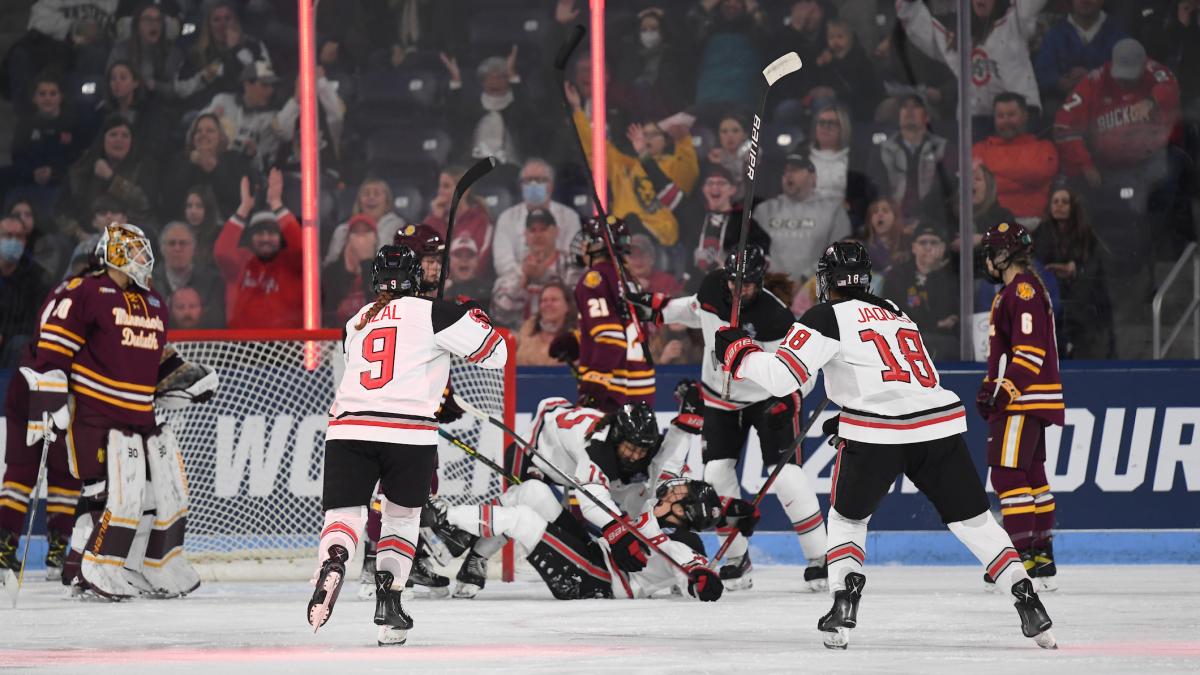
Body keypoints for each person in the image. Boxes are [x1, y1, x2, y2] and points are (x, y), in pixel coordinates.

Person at [715, 241, 1056, 650]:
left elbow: (781, 379)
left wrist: (737, 350)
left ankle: (844, 602)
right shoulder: (896, 311)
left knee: (847, 522)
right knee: (977, 523)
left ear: (827, 281)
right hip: (938, 426)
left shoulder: (825, 315)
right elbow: (902, 375)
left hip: (876, 434)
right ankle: (1027, 599)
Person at [307, 244, 508, 646]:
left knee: (344, 515)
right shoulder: (437, 312)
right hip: (408, 433)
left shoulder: (356, 320)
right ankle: (390, 604)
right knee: (399, 521)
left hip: (349, 427)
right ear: (418, 278)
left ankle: (334, 560)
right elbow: (496, 354)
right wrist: (474, 315)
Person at [19, 222, 214, 599]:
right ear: (116, 254)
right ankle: (84, 567)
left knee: (157, 492)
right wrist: (48, 393)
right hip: (96, 411)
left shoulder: (152, 300)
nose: (145, 259)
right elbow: (53, 351)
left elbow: (156, 358)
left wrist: (184, 377)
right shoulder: (86, 291)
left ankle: (144, 564)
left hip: (139, 414)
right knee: (106, 494)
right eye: (137, 251)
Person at [628, 245, 828, 591]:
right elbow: (694, 311)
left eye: (747, 285)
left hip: (766, 400)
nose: (738, 290)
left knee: (786, 477)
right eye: (734, 282)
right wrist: (656, 308)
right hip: (719, 399)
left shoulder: (775, 317)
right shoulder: (712, 288)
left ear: (758, 282)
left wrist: (791, 400)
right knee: (716, 475)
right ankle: (737, 558)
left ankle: (820, 558)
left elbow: (804, 369)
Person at [442, 391, 715, 600]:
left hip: (599, 578)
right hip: (542, 450)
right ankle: (466, 542)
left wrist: (701, 579)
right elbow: (593, 498)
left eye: (681, 495)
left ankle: (449, 520)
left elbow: (692, 566)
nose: (673, 490)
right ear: (618, 436)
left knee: (524, 514)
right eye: (631, 448)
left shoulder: (680, 539)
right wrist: (617, 531)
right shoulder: (597, 449)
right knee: (530, 491)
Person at [978, 222, 1065, 593]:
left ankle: (1021, 554)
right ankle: (1041, 554)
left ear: (1002, 254)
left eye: (990, 251)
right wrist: (991, 385)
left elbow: (1029, 351)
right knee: (1032, 477)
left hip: (1022, 399)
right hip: (1028, 397)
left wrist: (1004, 390)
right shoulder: (1023, 290)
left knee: (1008, 476)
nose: (986, 259)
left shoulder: (1022, 291)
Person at [567, 81, 698, 254]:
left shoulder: (673, 165)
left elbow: (689, 171)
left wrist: (683, 139)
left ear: (665, 140)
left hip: (659, 238)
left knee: (631, 222)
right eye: (643, 135)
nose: (646, 139)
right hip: (621, 234)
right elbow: (595, 149)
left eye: (653, 134)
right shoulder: (626, 165)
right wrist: (577, 110)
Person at [897, 0, 1049, 131]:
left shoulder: (1015, 20)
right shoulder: (959, 37)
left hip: (1020, 116)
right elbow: (922, 29)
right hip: (975, 122)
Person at [569, 216, 655, 412]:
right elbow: (623, 328)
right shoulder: (630, 280)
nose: (582, 246)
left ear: (597, 244)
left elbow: (611, 339)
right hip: (642, 391)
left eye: (586, 240)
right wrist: (578, 340)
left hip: (613, 393)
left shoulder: (594, 279)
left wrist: (593, 389)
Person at [214, 170, 303, 329]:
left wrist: (276, 204)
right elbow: (222, 252)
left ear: (280, 236)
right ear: (250, 237)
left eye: (271, 233)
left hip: (286, 347)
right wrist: (244, 208)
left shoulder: (290, 263)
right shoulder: (242, 261)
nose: (265, 239)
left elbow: (302, 248)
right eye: (259, 233)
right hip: (243, 347)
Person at [1033, 187, 1114, 358]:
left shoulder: (1087, 234)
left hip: (1083, 301)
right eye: (1055, 202)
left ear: (1073, 207)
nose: (1059, 206)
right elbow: (1036, 261)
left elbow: (1097, 265)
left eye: (1065, 202)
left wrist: (1075, 268)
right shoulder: (1041, 232)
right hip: (1051, 299)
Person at [753, 154, 851, 284]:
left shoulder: (833, 210)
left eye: (795, 170)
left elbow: (843, 252)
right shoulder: (764, 210)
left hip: (815, 289)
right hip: (771, 288)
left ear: (813, 177)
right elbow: (753, 251)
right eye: (785, 171)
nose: (788, 175)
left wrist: (807, 279)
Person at [866, 93, 955, 228]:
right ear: (898, 116)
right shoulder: (881, 150)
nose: (909, 111)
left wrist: (924, 219)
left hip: (935, 221)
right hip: (893, 223)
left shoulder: (944, 148)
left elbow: (946, 190)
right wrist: (894, 219)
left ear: (927, 116)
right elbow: (877, 191)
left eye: (916, 107)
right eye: (904, 107)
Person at [972, 93, 1059, 228]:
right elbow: (976, 186)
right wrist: (1023, 179)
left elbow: (1039, 175)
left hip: (1033, 224)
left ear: (1025, 116)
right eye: (1000, 116)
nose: (1006, 121)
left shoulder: (1044, 147)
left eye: (1011, 115)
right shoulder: (979, 150)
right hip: (989, 223)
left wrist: (993, 179)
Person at [679, 163, 769, 292]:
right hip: (695, 289)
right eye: (709, 183)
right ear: (703, 189)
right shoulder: (696, 218)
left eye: (721, 183)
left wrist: (740, 270)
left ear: (732, 189)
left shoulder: (743, 222)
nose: (715, 187)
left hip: (730, 291)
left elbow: (762, 252)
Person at [59, 114, 157, 232]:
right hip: (86, 234)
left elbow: (144, 203)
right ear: (102, 140)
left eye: (125, 136)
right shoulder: (83, 168)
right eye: (113, 134)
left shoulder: (144, 168)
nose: (119, 140)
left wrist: (111, 178)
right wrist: (80, 235)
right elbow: (61, 211)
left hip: (130, 234)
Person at [441, 47, 535, 165]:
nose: (494, 82)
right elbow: (453, 118)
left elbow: (526, 113)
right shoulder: (473, 107)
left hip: (509, 165)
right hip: (475, 166)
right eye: (489, 77)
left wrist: (514, 77)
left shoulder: (517, 106)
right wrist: (456, 80)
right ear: (482, 81)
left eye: (500, 77)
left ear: (508, 80)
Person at [492, 157, 581, 281]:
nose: (533, 184)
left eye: (539, 180)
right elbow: (502, 263)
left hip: (560, 283)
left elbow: (573, 259)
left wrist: (546, 272)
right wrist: (527, 272)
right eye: (528, 181)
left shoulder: (569, 217)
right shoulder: (506, 218)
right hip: (519, 282)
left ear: (551, 185)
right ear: (521, 186)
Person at [171, 1, 271, 109]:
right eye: (216, 20)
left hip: (248, 109)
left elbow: (265, 77)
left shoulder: (254, 45)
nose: (222, 25)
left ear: (236, 22)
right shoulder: (197, 53)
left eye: (227, 18)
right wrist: (205, 76)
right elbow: (180, 90)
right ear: (209, 26)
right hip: (208, 112)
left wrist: (236, 49)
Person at [881, 224, 960, 359]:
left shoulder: (952, 278)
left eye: (934, 242)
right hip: (903, 341)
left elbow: (950, 314)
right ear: (913, 247)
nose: (928, 247)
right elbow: (897, 314)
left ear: (942, 248)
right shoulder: (897, 275)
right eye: (923, 242)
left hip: (944, 345)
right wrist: (937, 324)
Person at [1034, 0, 1128, 107]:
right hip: (1061, 108)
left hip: (1108, 110)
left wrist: (1094, 77)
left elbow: (1128, 76)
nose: (1085, 1)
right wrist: (1059, 82)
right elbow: (1041, 74)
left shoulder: (1118, 35)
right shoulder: (1055, 35)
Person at [161, 112, 252, 220]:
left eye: (210, 131)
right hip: (184, 223)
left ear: (220, 137)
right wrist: (190, 165)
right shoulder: (180, 160)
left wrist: (214, 169)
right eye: (198, 131)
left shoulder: (234, 159)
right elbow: (168, 202)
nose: (203, 134)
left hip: (225, 222)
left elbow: (238, 199)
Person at [201, 60, 283, 174]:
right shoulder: (222, 101)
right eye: (264, 85)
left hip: (242, 176)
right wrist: (211, 121)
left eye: (272, 86)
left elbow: (267, 164)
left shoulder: (272, 119)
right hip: (209, 166)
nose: (270, 90)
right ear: (247, 85)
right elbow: (193, 135)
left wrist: (254, 154)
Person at [10, 72, 82, 193]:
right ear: (34, 98)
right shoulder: (25, 125)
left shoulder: (73, 124)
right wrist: (33, 173)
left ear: (61, 97)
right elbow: (17, 158)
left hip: (64, 186)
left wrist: (55, 172)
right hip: (30, 185)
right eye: (42, 94)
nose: (47, 98)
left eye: (53, 93)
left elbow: (78, 159)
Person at [151, 221, 224, 328]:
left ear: (194, 248)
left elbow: (216, 321)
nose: (177, 248)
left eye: (183, 243)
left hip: (203, 343)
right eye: (172, 243)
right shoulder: (146, 283)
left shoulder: (213, 282)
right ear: (162, 248)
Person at [0, 215, 52, 367]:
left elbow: (34, 322)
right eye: (8, 236)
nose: (14, 241)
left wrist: (3, 334)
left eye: (19, 237)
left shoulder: (37, 277)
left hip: (13, 344)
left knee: (22, 344)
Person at [809, 18, 884, 123]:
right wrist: (819, 66)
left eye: (840, 37)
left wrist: (834, 93)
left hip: (857, 106)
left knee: (823, 104)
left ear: (850, 38)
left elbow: (858, 89)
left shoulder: (859, 59)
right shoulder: (827, 59)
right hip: (835, 102)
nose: (835, 42)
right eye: (831, 38)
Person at [422, 166, 493, 269]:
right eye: (440, 186)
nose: (440, 192)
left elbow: (480, 262)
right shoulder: (435, 219)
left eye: (446, 186)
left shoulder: (481, 220)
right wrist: (436, 219)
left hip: (471, 283)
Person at [324, 178, 406, 267]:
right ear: (359, 202)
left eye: (377, 194)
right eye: (366, 194)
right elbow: (329, 266)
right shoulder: (342, 230)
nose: (371, 197)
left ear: (387, 202)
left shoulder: (399, 227)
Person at [321, 214, 377, 327]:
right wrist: (348, 272)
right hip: (336, 338)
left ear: (375, 239)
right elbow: (328, 309)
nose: (361, 238)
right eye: (356, 232)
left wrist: (366, 262)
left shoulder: (384, 271)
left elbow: (377, 307)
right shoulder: (332, 271)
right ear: (347, 239)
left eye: (366, 232)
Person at [515, 282, 576, 366]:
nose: (548, 304)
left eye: (554, 300)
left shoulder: (577, 337)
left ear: (567, 306)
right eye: (544, 300)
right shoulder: (528, 329)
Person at [863, 197, 911, 277]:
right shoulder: (864, 250)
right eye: (875, 212)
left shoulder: (909, 244)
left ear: (895, 217)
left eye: (885, 211)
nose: (879, 214)